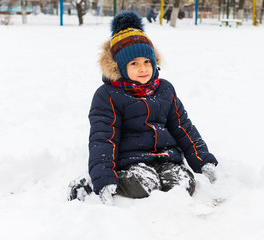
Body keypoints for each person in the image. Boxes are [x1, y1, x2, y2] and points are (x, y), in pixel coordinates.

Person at [67, 11, 218, 204]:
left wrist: (202, 159)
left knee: (183, 185)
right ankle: (87, 184)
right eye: (134, 63)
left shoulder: (164, 89)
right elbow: (103, 138)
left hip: (166, 157)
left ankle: (166, 178)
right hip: (130, 159)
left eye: (148, 62)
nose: (143, 68)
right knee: (143, 186)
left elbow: (183, 127)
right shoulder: (108, 95)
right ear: (120, 68)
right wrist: (103, 177)